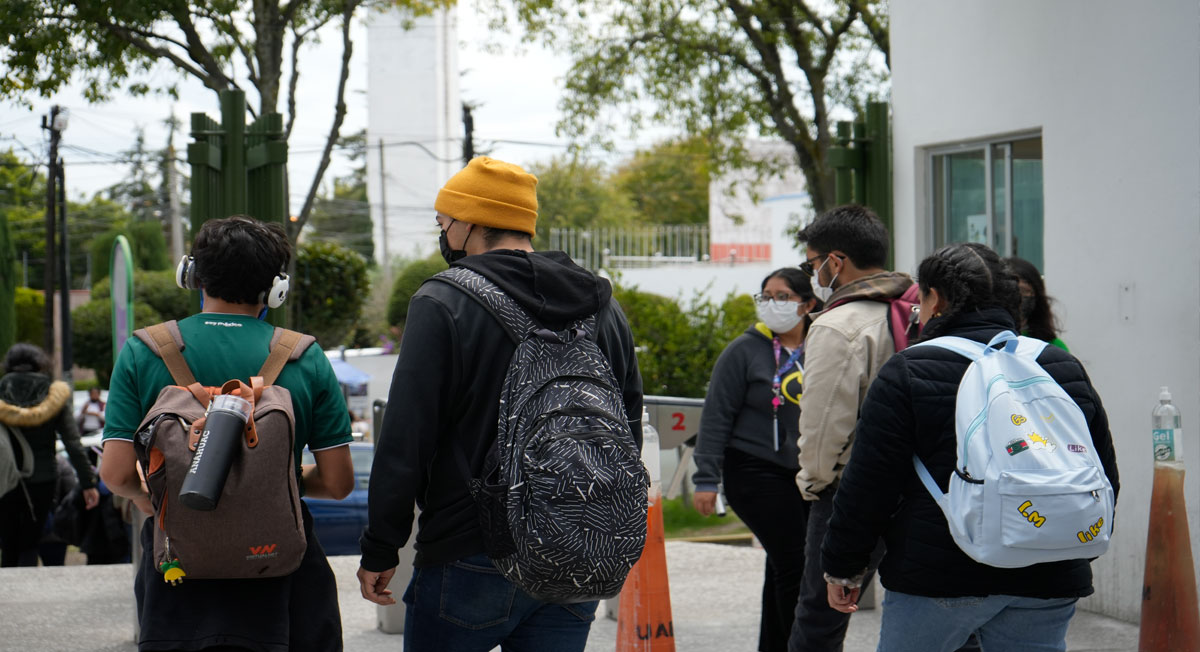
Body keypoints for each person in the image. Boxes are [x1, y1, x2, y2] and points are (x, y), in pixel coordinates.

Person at [357, 156, 643, 651]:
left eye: (444, 223)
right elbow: (627, 421)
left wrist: (382, 547)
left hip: (469, 546)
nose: (443, 234)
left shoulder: (443, 301)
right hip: (577, 546)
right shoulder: (601, 305)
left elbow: (407, 438)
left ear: (470, 222)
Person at [821, 243, 1119, 652]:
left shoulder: (909, 370)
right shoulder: (1060, 366)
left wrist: (843, 566)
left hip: (939, 577)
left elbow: (869, 485)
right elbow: (1103, 472)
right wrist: (1066, 542)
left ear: (937, 299)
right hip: (1048, 578)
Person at [100, 215, 355, 651]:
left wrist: (154, 495)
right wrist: (272, 481)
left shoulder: (144, 351)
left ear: (191, 275)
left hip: (179, 577)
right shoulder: (304, 356)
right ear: (276, 288)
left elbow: (116, 475)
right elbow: (337, 483)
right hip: (281, 574)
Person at [789, 204, 912, 652]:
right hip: (922, 487)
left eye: (812, 265)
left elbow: (825, 424)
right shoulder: (918, 309)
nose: (813, 276)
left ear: (835, 262)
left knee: (821, 617)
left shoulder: (839, 325)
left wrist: (814, 483)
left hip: (852, 490)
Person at [692, 267, 820, 652]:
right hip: (754, 469)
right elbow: (716, 416)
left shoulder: (823, 345)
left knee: (783, 565)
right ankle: (801, 645)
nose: (771, 304)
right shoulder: (744, 350)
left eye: (782, 296)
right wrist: (705, 479)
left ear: (807, 305)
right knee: (795, 565)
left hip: (807, 473)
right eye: (766, 296)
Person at [0, 343, 99, 567]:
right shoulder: (53, 395)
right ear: (39, 363)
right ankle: (27, 583)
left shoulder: (2, 390)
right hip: (43, 479)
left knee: (8, 541)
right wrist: (88, 483)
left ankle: (6, 585)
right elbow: (72, 443)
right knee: (30, 541)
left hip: (4, 478)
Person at [1006, 256, 1069, 351]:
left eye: (1024, 291)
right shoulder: (989, 342)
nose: (1018, 296)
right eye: (1012, 290)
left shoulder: (1053, 347)